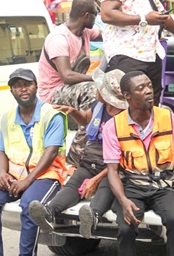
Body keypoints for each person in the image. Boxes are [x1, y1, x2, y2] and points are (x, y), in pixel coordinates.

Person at [103, 71, 174, 255]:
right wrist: (123, 201)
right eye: (141, 88)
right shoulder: (113, 126)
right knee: (126, 227)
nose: (148, 91)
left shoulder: (168, 118)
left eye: (149, 86)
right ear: (127, 96)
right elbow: (112, 171)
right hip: (133, 187)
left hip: (163, 186)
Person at [29, 69, 127, 239]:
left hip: (111, 168)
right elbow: (87, 119)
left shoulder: (126, 117)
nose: (96, 90)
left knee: (107, 186)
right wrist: (74, 112)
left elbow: (122, 158)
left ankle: (92, 216)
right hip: (90, 162)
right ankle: (49, 213)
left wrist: (95, 180)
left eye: (99, 88)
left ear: (107, 93)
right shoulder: (98, 106)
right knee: (73, 185)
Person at [0, 68, 67, 256]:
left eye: (27, 84)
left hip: (46, 175)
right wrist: (2, 174)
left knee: (29, 206)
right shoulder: (7, 118)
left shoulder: (51, 115)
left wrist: (27, 181)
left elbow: (51, 152)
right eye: (17, 86)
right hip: (15, 175)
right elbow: (1, 150)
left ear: (36, 86)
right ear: (12, 92)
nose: (23, 89)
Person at [38, 0, 100, 165]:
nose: (97, 17)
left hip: (72, 90)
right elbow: (67, 76)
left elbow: (107, 35)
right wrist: (97, 78)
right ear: (86, 16)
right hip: (53, 93)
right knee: (94, 90)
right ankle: (76, 153)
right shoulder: (59, 38)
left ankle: (91, 146)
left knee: (105, 97)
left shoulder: (85, 32)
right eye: (96, 13)